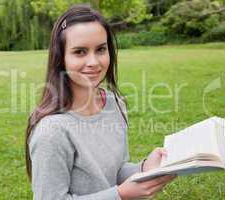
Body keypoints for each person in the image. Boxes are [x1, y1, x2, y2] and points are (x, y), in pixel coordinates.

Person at [25, 4, 176, 200]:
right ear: (61, 58)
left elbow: (117, 171)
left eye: (101, 49)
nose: (94, 62)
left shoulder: (115, 103)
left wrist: (145, 167)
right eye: (80, 52)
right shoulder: (51, 131)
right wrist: (120, 195)